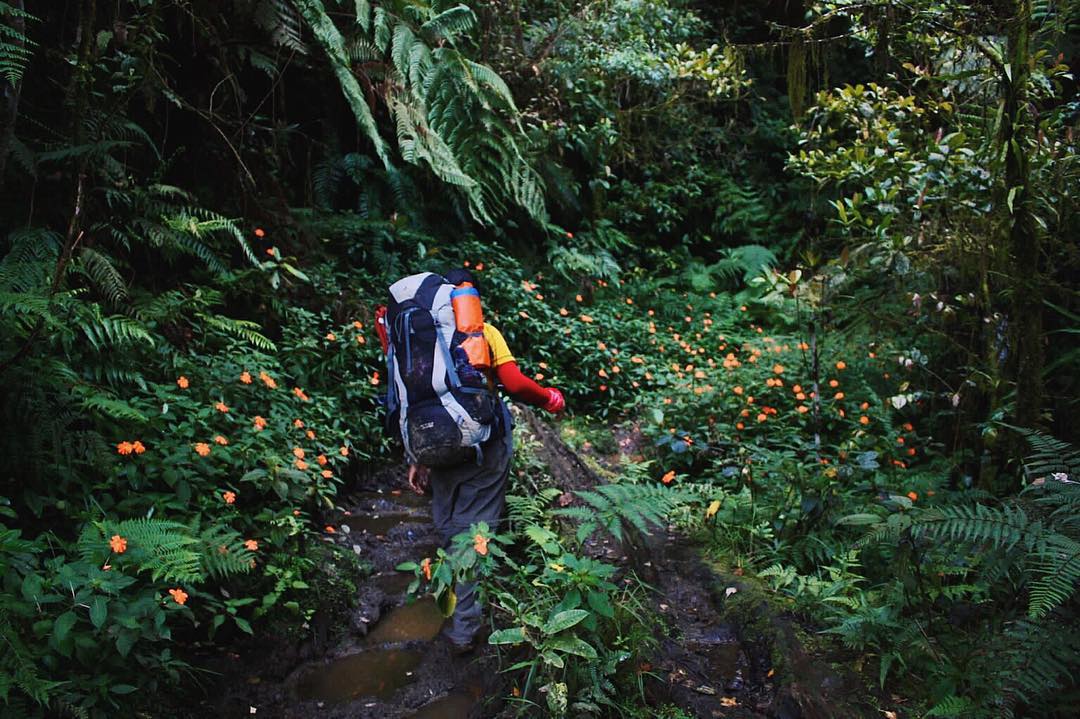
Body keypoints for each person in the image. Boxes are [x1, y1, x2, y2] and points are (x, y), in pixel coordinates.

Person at [404, 268, 565, 652]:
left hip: (433, 446)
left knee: (448, 520)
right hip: (482, 443)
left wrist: (416, 456)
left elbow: (411, 402)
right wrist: (548, 398)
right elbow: (512, 382)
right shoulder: (480, 332)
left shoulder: (413, 340)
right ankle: (464, 630)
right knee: (475, 530)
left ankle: (451, 597)